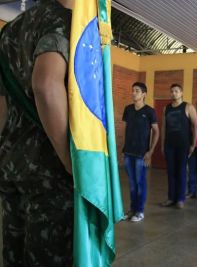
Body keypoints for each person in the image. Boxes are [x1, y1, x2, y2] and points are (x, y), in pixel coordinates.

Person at [0, 0, 74, 266]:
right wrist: (69, 160)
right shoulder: (62, 20)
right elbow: (45, 83)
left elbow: (3, 104)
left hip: (11, 166)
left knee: (14, 255)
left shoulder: (10, 29)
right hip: (49, 172)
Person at [122, 82, 159, 222]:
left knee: (140, 183)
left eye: (137, 91)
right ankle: (132, 210)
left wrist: (150, 151)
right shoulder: (128, 109)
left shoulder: (149, 111)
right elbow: (126, 130)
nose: (133, 93)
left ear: (144, 94)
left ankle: (140, 211)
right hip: (128, 153)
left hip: (141, 154)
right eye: (133, 90)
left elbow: (156, 131)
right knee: (132, 183)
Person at [160, 84, 197, 209]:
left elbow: (196, 125)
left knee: (181, 171)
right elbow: (164, 127)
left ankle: (180, 199)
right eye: (172, 91)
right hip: (169, 145)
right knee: (171, 172)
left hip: (183, 145)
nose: (174, 93)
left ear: (181, 93)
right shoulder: (167, 108)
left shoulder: (188, 107)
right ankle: (171, 197)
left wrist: (193, 144)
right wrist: (162, 145)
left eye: (176, 91)